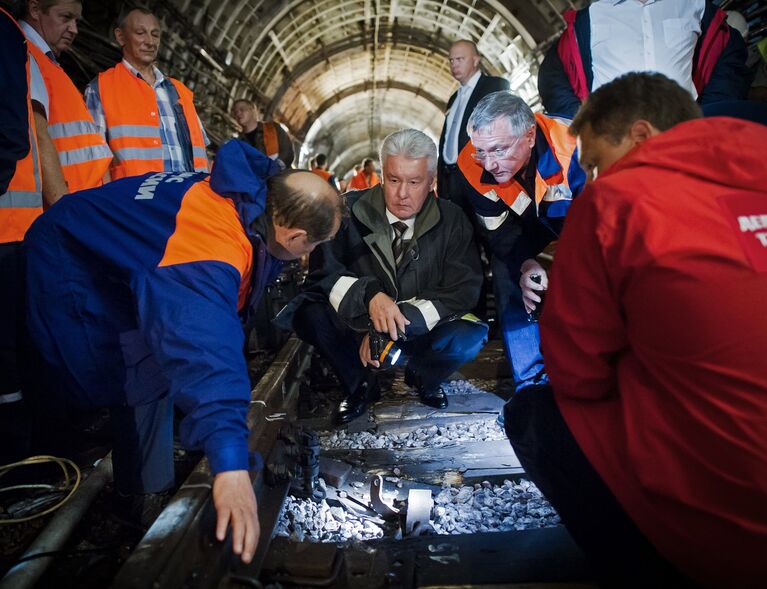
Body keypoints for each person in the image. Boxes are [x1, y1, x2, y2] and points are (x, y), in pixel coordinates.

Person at [25, 140, 344, 563]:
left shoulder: (246, 196)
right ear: (295, 234)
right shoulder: (208, 247)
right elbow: (205, 355)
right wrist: (229, 467)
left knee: (154, 363)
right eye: (310, 247)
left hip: (96, 247)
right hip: (70, 267)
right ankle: (132, 494)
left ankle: (146, 461)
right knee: (135, 371)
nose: (309, 256)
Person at [505, 72, 767, 587]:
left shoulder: (615, 202)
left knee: (534, 414)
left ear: (642, 135)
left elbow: (578, 373)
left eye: (599, 161)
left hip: (737, 534)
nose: (596, 178)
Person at [280, 129, 488, 423]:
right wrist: (369, 298)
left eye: (414, 182)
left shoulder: (452, 220)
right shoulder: (347, 211)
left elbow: (463, 290)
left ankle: (424, 378)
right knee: (307, 313)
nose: (402, 193)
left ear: (431, 183)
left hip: (420, 329)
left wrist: (392, 324)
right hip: (357, 329)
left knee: (470, 335)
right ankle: (359, 386)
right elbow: (323, 275)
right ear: (381, 173)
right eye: (393, 180)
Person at [458, 90, 585, 390]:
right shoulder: (470, 160)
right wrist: (528, 264)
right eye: (481, 151)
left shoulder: (576, 147)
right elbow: (499, 233)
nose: (488, 164)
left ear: (529, 136)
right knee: (507, 271)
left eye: (499, 150)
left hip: (580, 221)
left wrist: (555, 268)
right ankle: (531, 383)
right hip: (528, 224)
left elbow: (599, 234)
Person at [538, 0, 750, 118]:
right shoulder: (591, 18)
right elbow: (552, 75)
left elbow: (729, 50)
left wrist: (712, 111)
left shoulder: (693, 6)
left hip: (684, 134)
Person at [85, 6, 209, 180]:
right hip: (134, 202)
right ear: (120, 37)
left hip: (188, 199)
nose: (150, 42)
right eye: (140, 33)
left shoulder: (180, 92)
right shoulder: (101, 89)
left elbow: (202, 153)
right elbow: (95, 161)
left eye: (155, 35)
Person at [0, 5, 43, 464]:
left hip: (17, 230)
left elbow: (14, 135)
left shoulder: (9, 37)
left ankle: (17, 463)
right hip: (20, 226)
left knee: (10, 354)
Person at [20, 0, 112, 201]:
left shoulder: (46, 63)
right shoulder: (25, 55)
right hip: (70, 207)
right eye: (66, 17)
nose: (75, 30)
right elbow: (39, 137)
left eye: (76, 21)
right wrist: (63, 211)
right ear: (35, 9)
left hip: (83, 203)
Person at [438, 39, 509, 219]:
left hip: (479, 176)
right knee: (460, 235)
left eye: (460, 59)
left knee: (491, 234)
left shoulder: (495, 87)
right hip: (452, 179)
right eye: (451, 60)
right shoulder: (454, 98)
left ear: (476, 60)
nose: (454, 64)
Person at [231, 98, 294, 169]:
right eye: (235, 112)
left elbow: (287, 151)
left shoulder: (273, 128)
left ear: (252, 110)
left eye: (242, 109)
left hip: (284, 176)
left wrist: (277, 166)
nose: (238, 113)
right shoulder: (238, 144)